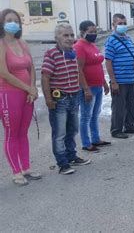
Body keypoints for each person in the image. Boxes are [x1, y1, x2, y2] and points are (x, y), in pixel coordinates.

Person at [41, 23, 91, 175]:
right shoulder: (52, 53)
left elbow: (78, 72)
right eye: (65, 35)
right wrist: (48, 99)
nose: (69, 38)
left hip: (74, 96)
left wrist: (86, 89)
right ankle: (62, 164)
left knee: (72, 129)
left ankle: (72, 155)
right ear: (57, 38)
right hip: (60, 99)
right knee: (60, 133)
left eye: (71, 35)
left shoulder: (72, 52)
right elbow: (45, 77)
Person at [0, 9, 41, 186]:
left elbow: (31, 67)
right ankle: (16, 172)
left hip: (27, 93)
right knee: (12, 134)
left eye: (16, 20)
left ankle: (26, 168)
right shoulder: (1, 44)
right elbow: (4, 73)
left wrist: (32, 88)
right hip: (9, 94)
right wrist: (27, 88)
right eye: (9, 20)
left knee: (23, 133)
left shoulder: (22, 43)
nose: (13, 23)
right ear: (2, 23)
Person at [105, 13, 134, 139]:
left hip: (130, 79)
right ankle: (116, 130)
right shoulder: (111, 41)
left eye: (124, 23)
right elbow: (108, 62)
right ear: (113, 25)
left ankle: (129, 126)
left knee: (130, 104)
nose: (122, 26)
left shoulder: (128, 38)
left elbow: (130, 55)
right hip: (119, 80)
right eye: (119, 23)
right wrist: (113, 81)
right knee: (118, 107)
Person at [75, 20, 111, 152]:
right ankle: (86, 142)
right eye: (91, 32)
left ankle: (96, 138)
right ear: (82, 32)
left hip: (98, 86)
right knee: (85, 116)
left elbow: (98, 66)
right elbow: (79, 69)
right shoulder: (79, 46)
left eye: (95, 31)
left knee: (95, 114)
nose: (94, 34)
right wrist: (85, 89)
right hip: (88, 87)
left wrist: (105, 83)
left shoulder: (92, 45)